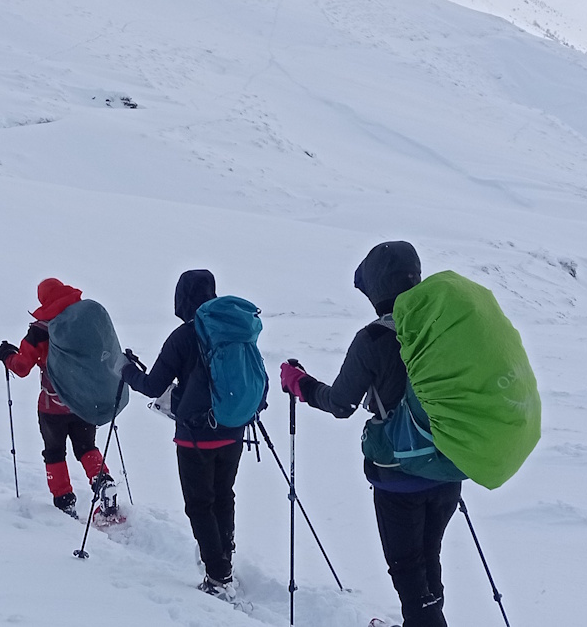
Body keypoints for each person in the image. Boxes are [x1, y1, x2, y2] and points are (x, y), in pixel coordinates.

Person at [279, 241, 463, 627]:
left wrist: (301, 385)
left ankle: (424, 619)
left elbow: (341, 404)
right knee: (430, 556)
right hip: (448, 466)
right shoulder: (443, 328)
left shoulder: (374, 339)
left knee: (409, 571)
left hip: (397, 474)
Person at [121, 269, 244, 601]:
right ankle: (224, 561)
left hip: (196, 436)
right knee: (223, 495)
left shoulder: (183, 336)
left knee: (200, 505)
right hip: (233, 429)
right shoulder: (233, 328)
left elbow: (152, 386)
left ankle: (218, 575)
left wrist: (124, 368)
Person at [0, 278, 114, 518]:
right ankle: (103, 481)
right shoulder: (86, 323)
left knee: (54, 452)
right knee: (87, 447)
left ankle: (64, 501)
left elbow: (21, 367)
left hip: (52, 406)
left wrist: (7, 355)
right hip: (83, 401)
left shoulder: (39, 330)